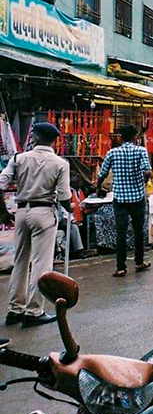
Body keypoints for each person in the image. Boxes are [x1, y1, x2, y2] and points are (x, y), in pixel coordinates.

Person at [1, 123, 69, 328]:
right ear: (53, 141)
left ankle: (15, 309)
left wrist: (3, 212)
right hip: (44, 212)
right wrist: (70, 211)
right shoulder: (60, 163)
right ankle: (33, 311)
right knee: (41, 263)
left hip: (21, 211)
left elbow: (1, 184)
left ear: (36, 138)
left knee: (20, 261)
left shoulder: (19, 158)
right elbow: (65, 196)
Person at [97, 124, 152, 277]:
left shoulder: (112, 153)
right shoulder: (141, 151)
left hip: (120, 199)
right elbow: (147, 171)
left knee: (121, 232)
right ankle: (139, 261)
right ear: (135, 137)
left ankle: (121, 267)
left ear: (121, 138)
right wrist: (143, 181)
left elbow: (102, 173)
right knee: (138, 230)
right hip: (137, 198)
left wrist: (97, 187)